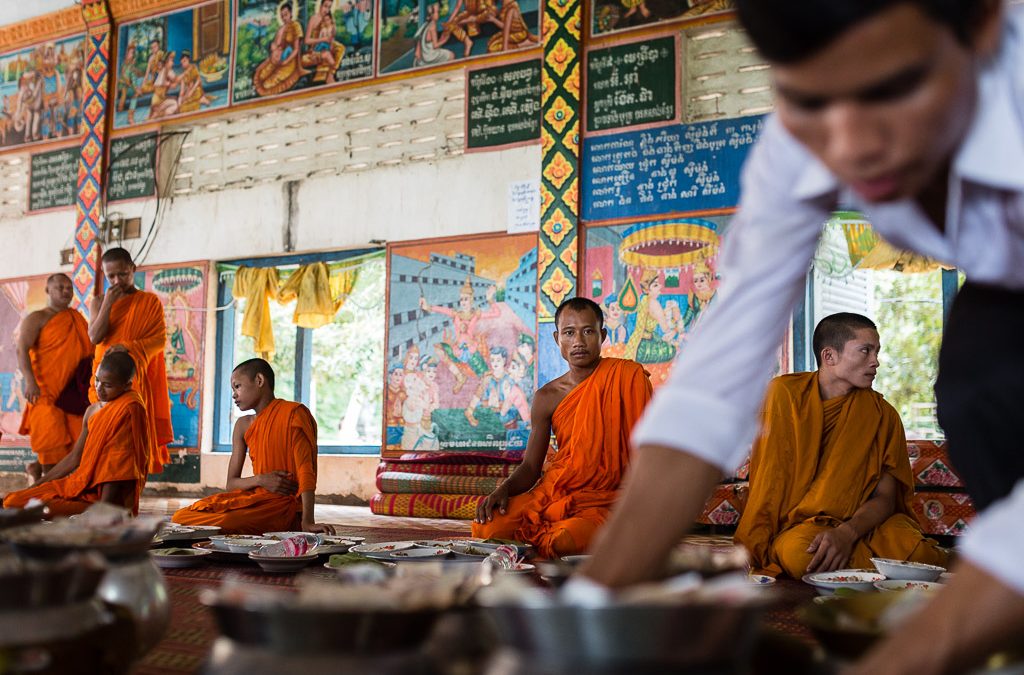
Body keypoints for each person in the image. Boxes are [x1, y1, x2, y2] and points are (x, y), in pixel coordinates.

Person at [579, 2, 1024, 672]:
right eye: (807, 101)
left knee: (987, 367)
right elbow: (709, 386)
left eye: (891, 89)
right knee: (979, 369)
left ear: (985, 23)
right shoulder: (799, 143)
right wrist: (582, 615)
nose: (849, 146)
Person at [735, 313, 947, 577]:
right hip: (802, 527)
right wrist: (761, 541)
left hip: (864, 525)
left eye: (877, 351)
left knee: (919, 552)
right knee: (802, 555)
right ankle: (886, 570)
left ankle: (858, 567)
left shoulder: (882, 414)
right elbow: (769, 483)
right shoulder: (783, 396)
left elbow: (885, 498)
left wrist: (847, 534)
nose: (875, 362)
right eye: (865, 351)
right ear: (829, 356)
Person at [472, 298, 652, 557]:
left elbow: (644, 453)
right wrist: (504, 489)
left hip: (610, 498)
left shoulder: (628, 377)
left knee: (564, 540)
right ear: (557, 338)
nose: (578, 341)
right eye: (569, 332)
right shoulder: (547, 397)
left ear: (602, 335)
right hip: (558, 492)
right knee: (487, 527)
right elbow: (532, 467)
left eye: (588, 331)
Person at [172, 358, 334, 535]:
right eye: (233, 389)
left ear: (259, 380)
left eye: (237, 386)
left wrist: (308, 521)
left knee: (227, 521)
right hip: (256, 499)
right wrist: (260, 480)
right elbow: (231, 484)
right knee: (181, 516)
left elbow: (305, 470)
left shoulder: (294, 414)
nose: (234, 394)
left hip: (282, 507)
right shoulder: (242, 425)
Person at [3, 351, 151, 517]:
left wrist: (103, 509)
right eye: (97, 380)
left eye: (108, 385)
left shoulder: (127, 410)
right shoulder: (92, 410)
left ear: (127, 385)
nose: (99, 389)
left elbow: (117, 466)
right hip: (78, 486)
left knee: (20, 505)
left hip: (101, 499)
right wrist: (36, 487)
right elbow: (75, 457)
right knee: (14, 500)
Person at [89, 247, 172, 474]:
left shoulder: (149, 302)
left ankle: (131, 490)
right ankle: (105, 488)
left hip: (133, 380)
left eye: (122, 274)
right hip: (103, 381)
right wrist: (108, 303)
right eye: (110, 276)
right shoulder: (98, 302)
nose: (117, 281)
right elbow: (95, 337)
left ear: (133, 269)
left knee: (133, 439)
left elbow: (159, 341)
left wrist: (127, 347)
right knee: (105, 438)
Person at [16, 273, 92, 481]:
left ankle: (39, 473)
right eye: (60, 287)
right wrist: (29, 381)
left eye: (69, 287)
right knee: (51, 442)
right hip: (44, 392)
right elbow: (21, 349)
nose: (66, 291)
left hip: (72, 393)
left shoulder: (77, 318)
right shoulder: (37, 318)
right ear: (48, 290)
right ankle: (49, 492)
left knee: (74, 446)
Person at [253, 1, 308, 97]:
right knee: (260, 75)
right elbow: (276, 45)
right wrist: (274, 48)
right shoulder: (281, 29)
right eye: (282, 15)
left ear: (291, 14)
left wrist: (286, 61)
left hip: (289, 61)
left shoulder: (296, 26)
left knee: (267, 84)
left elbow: (296, 49)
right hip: (277, 59)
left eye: (286, 14)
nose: (284, 18)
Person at [302, 0, 346, 84]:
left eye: (329, 7)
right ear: (320, 5)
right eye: (325, 6)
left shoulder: (328, 18)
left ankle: (331, 74)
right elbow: (307, 40)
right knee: (326, 55)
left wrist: (331, 40)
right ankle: (325, 77)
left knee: (341, 48)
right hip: (315, 48)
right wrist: (322, 39)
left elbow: (331, 35)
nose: (326, 10)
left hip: (327, 44)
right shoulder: (314, 19)